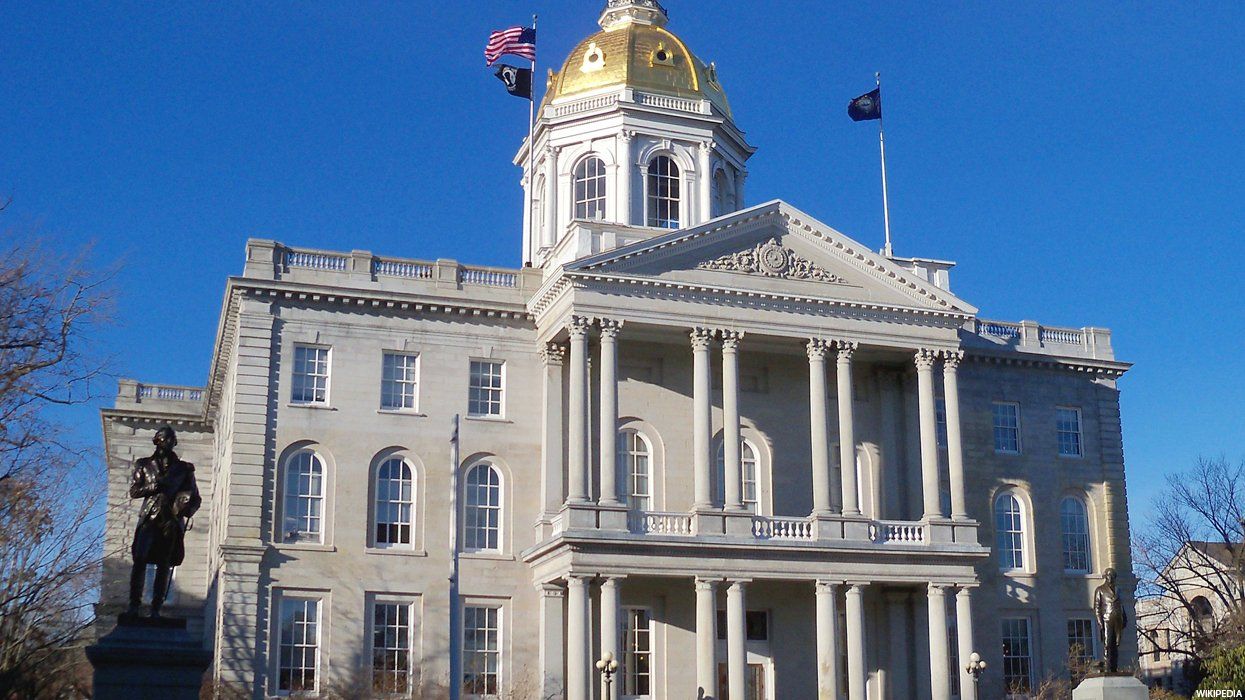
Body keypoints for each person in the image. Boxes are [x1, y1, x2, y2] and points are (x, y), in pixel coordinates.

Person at [127, 426, 201, 617]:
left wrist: (185, 510)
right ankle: (134, 605)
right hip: (150, 518)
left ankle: (156, 608)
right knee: (140, 559)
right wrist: (153, 486)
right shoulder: (143, 464)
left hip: (171, 520)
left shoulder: (184, 469)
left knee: (164, 563)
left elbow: (195, 498)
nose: (169, 442)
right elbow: (134, 491)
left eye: (171, 439)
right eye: (165, 438)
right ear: (157, 441)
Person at [1093, 567, 1127, 673]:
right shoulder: (1100, 590)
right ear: (1105, 576)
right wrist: (1100, 622)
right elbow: (1097, 607)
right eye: (1108, 576)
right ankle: (1107, 667)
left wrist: (1124, 617)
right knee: (1107, 643)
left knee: (1116, 644)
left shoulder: (1118, 589)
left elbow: (1121, 605)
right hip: (1106, 619)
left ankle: (1114, 667)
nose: (1110, 578)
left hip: (1118, 619)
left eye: (1112, 576)